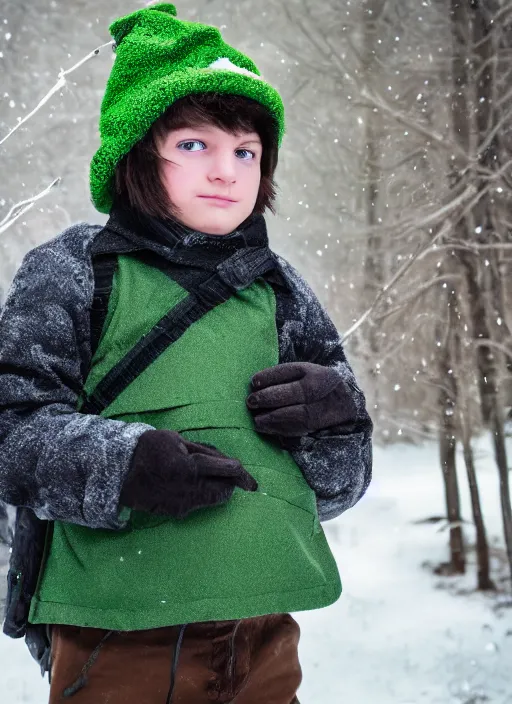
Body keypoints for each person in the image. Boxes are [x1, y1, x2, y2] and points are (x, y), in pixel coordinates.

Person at [0, 4, 373, 703]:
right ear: (139, 152)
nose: (228, 172)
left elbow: (336, 489)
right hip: (121, 630)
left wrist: (338, 421)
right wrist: (127, 465)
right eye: (195, 146)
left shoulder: (280, 288)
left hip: (264, 626)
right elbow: (12, 434)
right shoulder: (77, 269)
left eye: (246, 152)